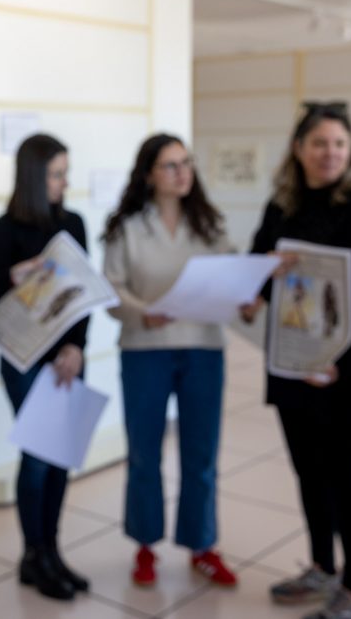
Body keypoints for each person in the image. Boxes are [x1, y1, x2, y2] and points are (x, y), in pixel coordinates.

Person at [242, 101, 351, 619]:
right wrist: (261, 277)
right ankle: (321, 567)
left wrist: (342, 367)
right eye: (319, 143)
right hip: (294, 367)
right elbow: (258, 271)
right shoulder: (281, 205)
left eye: (339, 144)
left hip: (348, 374)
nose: (330, 153)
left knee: (346, 481)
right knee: (309, 475)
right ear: (298, 148)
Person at [102, 133, 237, 589]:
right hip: (145, 349)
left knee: (202, 454)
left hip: (204, 347)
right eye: (170, 166)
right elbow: (112, 289)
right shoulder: (127, 228)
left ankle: (202, 545)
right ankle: (145, 544)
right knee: (144, 454)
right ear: (149, 175)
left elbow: (231, 273)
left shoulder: (211, 225)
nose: (182, 173)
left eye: (186, 163)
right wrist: (143, 312)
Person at [0, 133, 89, 601]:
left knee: (60, 456)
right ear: (33, 176)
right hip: (24, 360)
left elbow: (83, 295)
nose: (64, 183)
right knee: (37, 458)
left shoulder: (73, 223)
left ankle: (51, 550)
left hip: (67, 358)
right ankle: (33, 555)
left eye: (66, 173)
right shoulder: (4, 229)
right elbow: (0, 299)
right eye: (56, 174)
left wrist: (76, 348)